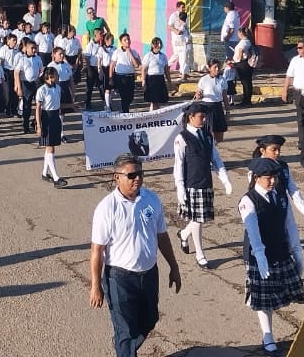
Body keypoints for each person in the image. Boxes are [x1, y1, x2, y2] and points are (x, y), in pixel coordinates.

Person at [88, 154, 182, 357]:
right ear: (117, 178)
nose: (137, 179)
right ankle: (125, 347)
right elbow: (97, 250)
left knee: (150, 319)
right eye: (131, 175)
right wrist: (96, 286)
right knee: (126, 330)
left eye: (139, 173)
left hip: (149, 274)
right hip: (120, 278)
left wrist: (174, 267)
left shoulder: (151, 199)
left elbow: (162, 236)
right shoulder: (107, 208)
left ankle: (124, 346)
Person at [239, 158, 304, 355]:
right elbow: (252, 230)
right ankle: (267, 334)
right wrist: (260, 256)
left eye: (274, 178)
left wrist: (297, 251)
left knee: (282, 292)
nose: (272, 182)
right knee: (263, 298)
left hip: (281, 250)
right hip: (259, 253)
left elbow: (290, 224)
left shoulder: (280, 196)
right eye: (267, 178)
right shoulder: (248, 200)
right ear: (256, 178)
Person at [173, 103, 234, 269]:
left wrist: (225, 179)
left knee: (199, 218)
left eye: (205, 116)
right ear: (191, 117)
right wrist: (180, 188)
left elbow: (216, 159)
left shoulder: (207, 135)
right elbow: (178, 165)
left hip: (206, 182)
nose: (204, 119)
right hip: (191, 184)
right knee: (198, 220)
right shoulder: (182, 138)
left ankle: (184, 234)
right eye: (201, 116)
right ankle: (200, 255)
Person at [35, 67, 69, 188]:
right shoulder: (42, 90)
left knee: (50, 147)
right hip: (46, 118)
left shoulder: (58, 88)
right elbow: (38, 108)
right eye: (56, 74)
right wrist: (38, 125)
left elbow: (58, 104)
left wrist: (72, 105)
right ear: (50, 76)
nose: (58, 76)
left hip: (55, 117)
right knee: (50, 148)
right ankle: (56, 178)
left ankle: (44, 173)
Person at [193, 59, 229, 142]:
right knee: (209, 136)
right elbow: (198, 95)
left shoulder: (222, 80)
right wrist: (198, 95)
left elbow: (224, 97)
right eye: (215, 67)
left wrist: (227, 111)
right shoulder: (204, 80)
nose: (217, 69)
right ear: (209, 68)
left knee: (219, 137)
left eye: (218, 67)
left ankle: (215, 152)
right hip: (207, 108)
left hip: (218, 107)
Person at [109, 33, 141, 113]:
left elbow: (136, 65)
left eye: (128, 39)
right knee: (124, 96)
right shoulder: (117, 52)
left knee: (131, 97)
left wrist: (129, 52)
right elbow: (112, 65)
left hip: (130, 77)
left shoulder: (134, 52)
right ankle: (125, 112)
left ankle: (124, 109)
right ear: (121, 42)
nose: (127, 41)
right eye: (125, 40)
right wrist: (110, 78)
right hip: (120, 77)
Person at [140, 37, 170, 111]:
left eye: (160, 44)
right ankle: (152, 114)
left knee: (158, 100)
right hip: (151, 79)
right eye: (157, 44)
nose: (159, 46)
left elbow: (166, 69)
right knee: (153, 100)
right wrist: (143, 81)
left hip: (160, 79)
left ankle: (157, 114)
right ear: (153, 45)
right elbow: (144, 69)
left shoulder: (163, 56)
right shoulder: (148, 55)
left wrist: (169, 81)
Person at [230, 27, 255, 106]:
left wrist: (238, 59)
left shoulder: (244, 42)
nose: (237, 34)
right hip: (244, 63)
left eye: (238, 33)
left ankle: (247, 100)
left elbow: (241, 50)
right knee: (246, 82)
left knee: (246, 82)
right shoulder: (246, 41)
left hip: (242, 63)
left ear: (241, 33)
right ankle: (246, 99)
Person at [167, 1, 191, 83]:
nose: (184, 9)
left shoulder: (185, 16)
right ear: (177, 8)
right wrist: (176, 31)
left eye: (184, 7)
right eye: (182, 7)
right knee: (178, 55)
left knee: (183, 57)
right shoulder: (173, 16)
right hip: (176, 40)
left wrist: (179, 31)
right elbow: (169, 26)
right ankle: (168, 66)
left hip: (183, 42)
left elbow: (184, 28)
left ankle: (184, 73)